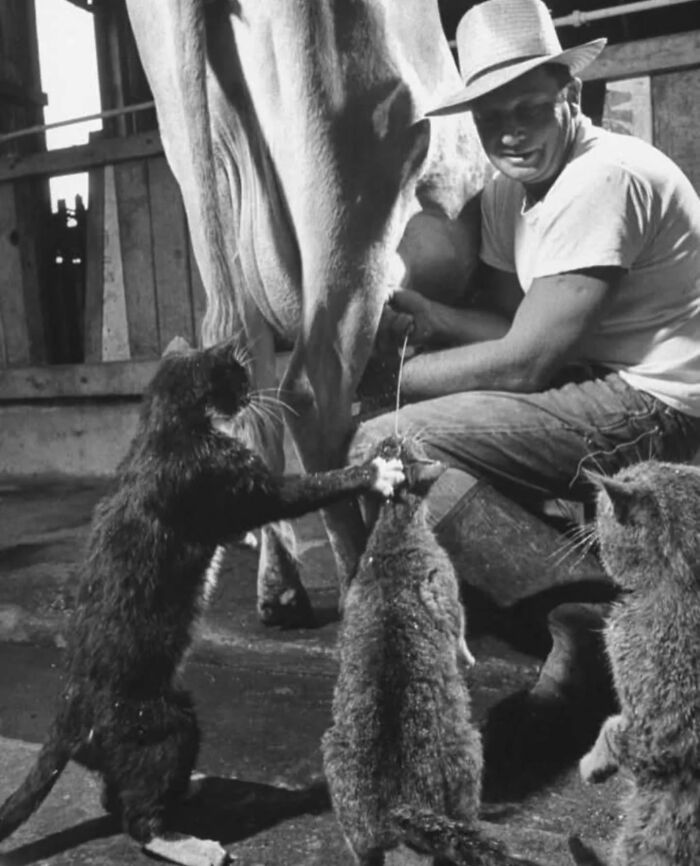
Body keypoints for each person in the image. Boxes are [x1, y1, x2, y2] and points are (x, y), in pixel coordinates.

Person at [350, 0, 700, 723]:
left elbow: (524, 364)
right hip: (598, 375)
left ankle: (612, 620)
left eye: (529, 110)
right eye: (490, 117)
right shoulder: (511, 191)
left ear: (567, 94)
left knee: (384, 446)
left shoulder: (606, 177)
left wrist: (393, 382)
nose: (509, 132)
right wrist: (438, 318)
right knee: (407, 433)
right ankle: (576, 604)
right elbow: (514, 321)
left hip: (661, 401)